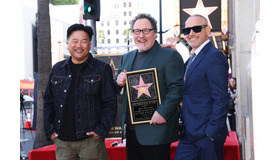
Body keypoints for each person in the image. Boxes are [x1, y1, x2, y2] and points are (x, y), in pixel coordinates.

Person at [44, 24, 117, 160]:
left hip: (91, 143)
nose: (79, 45)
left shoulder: (102, 69)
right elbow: (48, 101)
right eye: (75, 41)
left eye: (84, 41)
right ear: (67, 44)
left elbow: (110, 104)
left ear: (89, 45)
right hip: (63, 142)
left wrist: (100, 132)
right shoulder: (57, 69)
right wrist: (50, 131)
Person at [116, 13, 183, 160]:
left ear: (154, 33)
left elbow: (176, 89)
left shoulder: (169, 55)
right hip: (132, 132)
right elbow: (117, 86)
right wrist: (119, 82)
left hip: (156, 130)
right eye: (136, 31)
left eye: (146, 30)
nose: (141, 35)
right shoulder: (126, 57)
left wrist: (162, 113)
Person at [174, 14, 230, 160]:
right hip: (189, 134)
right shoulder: (191, 59)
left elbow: (221, 98)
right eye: (187, 30)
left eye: (196, 29)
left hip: (206, 136)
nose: (191, 33)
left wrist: (211, 133)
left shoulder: (214, 56)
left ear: (208, 30)